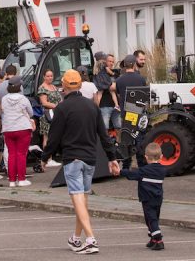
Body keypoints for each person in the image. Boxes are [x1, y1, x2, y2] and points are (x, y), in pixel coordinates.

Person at [42, 69, 122, 254]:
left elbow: (54, 137)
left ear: (63, 85)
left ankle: (91, 239)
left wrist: (45, 158)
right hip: (90, 159)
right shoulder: (92, 106)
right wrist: (112, 158)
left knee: (77, 198)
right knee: (82, 200)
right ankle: (76, 238)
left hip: (73, 158)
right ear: (79, 84)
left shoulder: (62, 108)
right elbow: (103, 135)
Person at [120, 142, 167, 250]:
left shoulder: (143, 171)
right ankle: (153, 239)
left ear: (146, 157)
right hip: (158, 199)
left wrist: (122, 169)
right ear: (161, 157)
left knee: (150, 220)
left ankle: (159, 240)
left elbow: (130, 174)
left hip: (147, 199)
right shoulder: (162, 170)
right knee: (154, 218)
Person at [0, 76, 35, 187]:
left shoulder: (4, 99)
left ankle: (11, 180)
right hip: (22, 128)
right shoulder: (23, 99)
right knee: (21, 154)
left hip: (8, 129)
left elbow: (3, 111)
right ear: (20, 86)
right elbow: (31, 112)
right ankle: (21, 179)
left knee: (12, 154)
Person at [115, 56, 148, 166]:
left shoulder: (119, 80)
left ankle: (126, 165)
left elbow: (119, 94)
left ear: (124, 65)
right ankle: (141, 164)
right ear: (134, 64)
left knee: (126, 138)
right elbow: (145, 95)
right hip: (138, 111)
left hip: (126, 113)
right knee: (139, 137)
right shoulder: (141, 79)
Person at [36, 69, 63, 167]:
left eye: (51, 76)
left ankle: (52, 157)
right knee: (46, 137)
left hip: (56, 114)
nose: (50, 78)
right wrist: (57, 105)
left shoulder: (53, 86)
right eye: (47, 76)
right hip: (47, 116)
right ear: (43, 77)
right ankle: (47, 159)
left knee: (54, 137)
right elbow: (44, 103)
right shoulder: (42, 88)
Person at [94, 52, 121, 133]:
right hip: (104, 106)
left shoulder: (114, 74)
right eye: (109, 61)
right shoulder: (105, 71)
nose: (111, 63)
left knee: (119, 127)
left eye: (113, 61)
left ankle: (118, 144)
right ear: (105, 61)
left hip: (114, 107)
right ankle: (107, 144)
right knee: (105, 128)